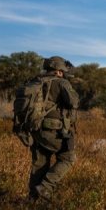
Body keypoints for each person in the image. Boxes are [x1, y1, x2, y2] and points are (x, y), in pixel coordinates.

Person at [23, 56, 79, 201]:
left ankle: (32, 200)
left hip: (35, 130)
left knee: (39, 165)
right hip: (54, 131)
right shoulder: (61, 83)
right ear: (59, 71)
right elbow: (74, 102)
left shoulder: (35, 82)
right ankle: (46, 186)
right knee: (68, 158)